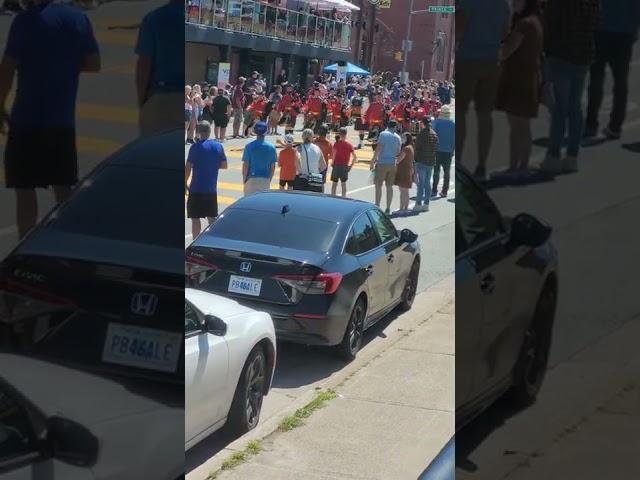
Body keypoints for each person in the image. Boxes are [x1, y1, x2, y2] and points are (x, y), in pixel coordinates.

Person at [0, 0, 100, 240]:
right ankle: (65, 243)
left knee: (24, 190)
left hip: (26, 119)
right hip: (61, 121)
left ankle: (25, 245)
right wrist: (63, 67)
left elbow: (7, 68)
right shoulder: (78, 19)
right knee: (63, 188)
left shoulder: (24, 21)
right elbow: (94, 63)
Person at [540, 0, 600, 175]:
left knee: (559, 108)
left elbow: (549, 23)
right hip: (583, 53)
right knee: (575, 107)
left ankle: (554, 155)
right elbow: (596, 23)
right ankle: (572, 156)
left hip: (560, 54)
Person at [456, 0, 511, 180]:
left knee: (460, 111)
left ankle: (459, 163)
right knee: (485, 114)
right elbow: (505, 32)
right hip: (492, 61)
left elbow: (460, 27)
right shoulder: (503, 5)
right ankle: (482, 165)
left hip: (469, 59)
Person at [495, 0, 543, 178]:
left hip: (519, 80)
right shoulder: (534, 20)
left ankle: (518, 167)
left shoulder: (525, 24)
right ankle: (518, 166)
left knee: (518, 127)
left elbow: (506, 50)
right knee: (520, 127)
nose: (514, 2)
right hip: (526, 78)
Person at [584, 0, 640, 140]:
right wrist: (634, 30)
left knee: (596, 79)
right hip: (624, 33)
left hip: (601, 30)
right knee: (621, 82)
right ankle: (615, 126)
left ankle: (591, 124)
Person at [135, 0, 183, 136]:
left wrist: (143, 101)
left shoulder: (154, 18)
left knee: (153, 152)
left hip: (161, 96)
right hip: (183, 98)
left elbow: (144, 64)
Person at [185, 121, 228, 238]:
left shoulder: (194, 147)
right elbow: (225, 165)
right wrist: (212, 165)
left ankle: (195, 241)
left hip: (196, 188)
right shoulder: (218, 146)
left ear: (198, 132)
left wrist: (184, 182)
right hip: (210, 189)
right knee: (212, 217)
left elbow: (188, 167)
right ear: (209, 131)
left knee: (195, 217)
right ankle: (213, 241)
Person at [371, 120, 401, 214]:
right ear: (395, 127)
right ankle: (388, 208)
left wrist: (373, 161)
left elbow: (378, 148)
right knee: (389, 187)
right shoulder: (398, 137)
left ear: (387, 126)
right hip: (392, 163)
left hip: (382, 162)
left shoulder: (383, 134)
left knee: (378, 186)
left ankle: (377, 205)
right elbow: (397, 152)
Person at [242, 121, 277, 195]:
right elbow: (272, 167)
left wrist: (244, 179)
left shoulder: (249, 146)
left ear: (255, 131)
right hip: (265, 178)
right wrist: (269, 179)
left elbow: (246, 165)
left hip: (251, 178)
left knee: (249, 203)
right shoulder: (271, 147)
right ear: (266, 131)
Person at [413, 117, 439, 212]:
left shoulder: (421, 134)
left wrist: (415, 160)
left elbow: (416, 148)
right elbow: (436, 147)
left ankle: (418, 204)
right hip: (431, 161)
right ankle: (426, 204)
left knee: (421, 184)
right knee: (427, 183)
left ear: (422, 124)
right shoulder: (434, 134)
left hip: (421, 161)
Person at [431, 105, 455, 197]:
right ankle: (444, 191)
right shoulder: (453, 124)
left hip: (437, 150)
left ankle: (434, 190)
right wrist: (453, 150)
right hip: (448, 151)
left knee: (436, 171)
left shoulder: (437, 122)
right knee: (447, 172)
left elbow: (433, 135)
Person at [294, 128, 327, 192]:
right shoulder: (317, 148)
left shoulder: (300, 147)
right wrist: (316, 171)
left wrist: (300, 172)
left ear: (303, 137)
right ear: (312, 137)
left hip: (304, 178)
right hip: (316, 178)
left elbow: (297, 158)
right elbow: (324, 166)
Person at [331, 127, 356, 197]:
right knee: (343, 183)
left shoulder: (336, 144)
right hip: (344, 166)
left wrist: (332, 163)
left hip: (336, 165)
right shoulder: (349, 145)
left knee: (334, 183)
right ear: (346, 134)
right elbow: (355, 157)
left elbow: (334, 155)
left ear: (339, 134)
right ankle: (343, 197)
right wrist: (350, 166)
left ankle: (333, 197)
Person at [395, 133, 415, 214]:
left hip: (403, 172)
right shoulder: (411, 147)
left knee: (402, 191)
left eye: (403, 137)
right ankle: (405, 208)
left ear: (407, 139)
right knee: (405, 191)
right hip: (408, 171)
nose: (401, 138)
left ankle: (402, 209)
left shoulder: (405, 149)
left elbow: (398, 160)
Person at [313, 124, 333, 192]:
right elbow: (331, 156)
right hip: (323, 166)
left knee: (314, 182)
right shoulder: (328, 143)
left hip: (314, 165)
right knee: (321, 183)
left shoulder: (314, 141)